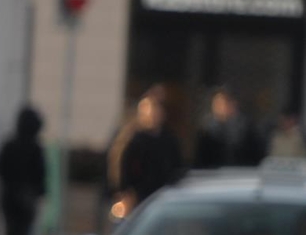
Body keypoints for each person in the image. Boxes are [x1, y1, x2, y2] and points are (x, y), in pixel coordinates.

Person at [107, 85, 182, 221]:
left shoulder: (168, 140)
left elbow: (175, 168)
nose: (152, 114)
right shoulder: (131, 139)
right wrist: (125, 193)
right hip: (136, 199)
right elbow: (120, 168)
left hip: (162, 197)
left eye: (156, 109)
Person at [0, 105, 48, 235]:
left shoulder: (11, 144)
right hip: (25, 200)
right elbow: (41, 176)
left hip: (10, 198)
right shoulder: (35, 148)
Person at [193, 88, 267, 170]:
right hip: (212, 177)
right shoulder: (207, 131)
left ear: (233, 104)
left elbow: (257, 158)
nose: (217, 108)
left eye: (221, 104)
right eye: (215, 104)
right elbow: (200, 161)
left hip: (243, 176)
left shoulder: (248, 129)